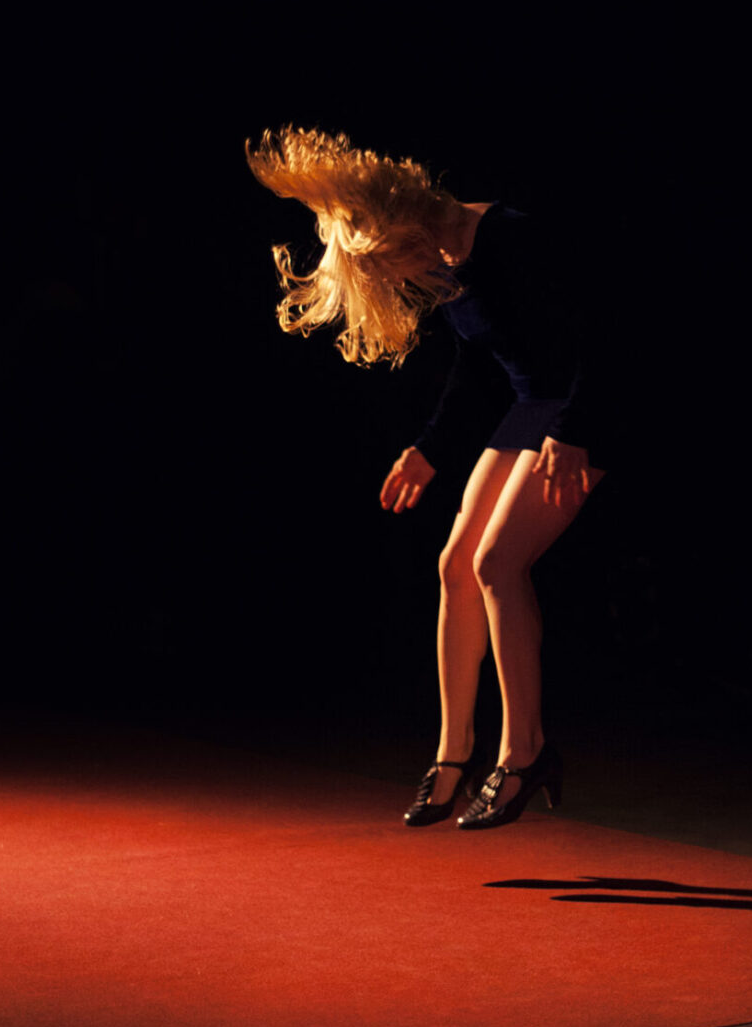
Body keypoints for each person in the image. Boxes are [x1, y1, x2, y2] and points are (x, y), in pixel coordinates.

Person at [246, 125, 612, 829]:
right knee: (455, 565)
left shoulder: (512, 236)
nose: (404, 279)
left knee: (499, 563)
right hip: (534, 405)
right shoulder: (446, 257)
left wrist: (575, 430)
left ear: (404, 222)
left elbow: (603, 332)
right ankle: (454, 754)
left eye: (392, 263)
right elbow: (479, 364)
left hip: (585, 405)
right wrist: (430, 449)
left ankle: (526, 752)